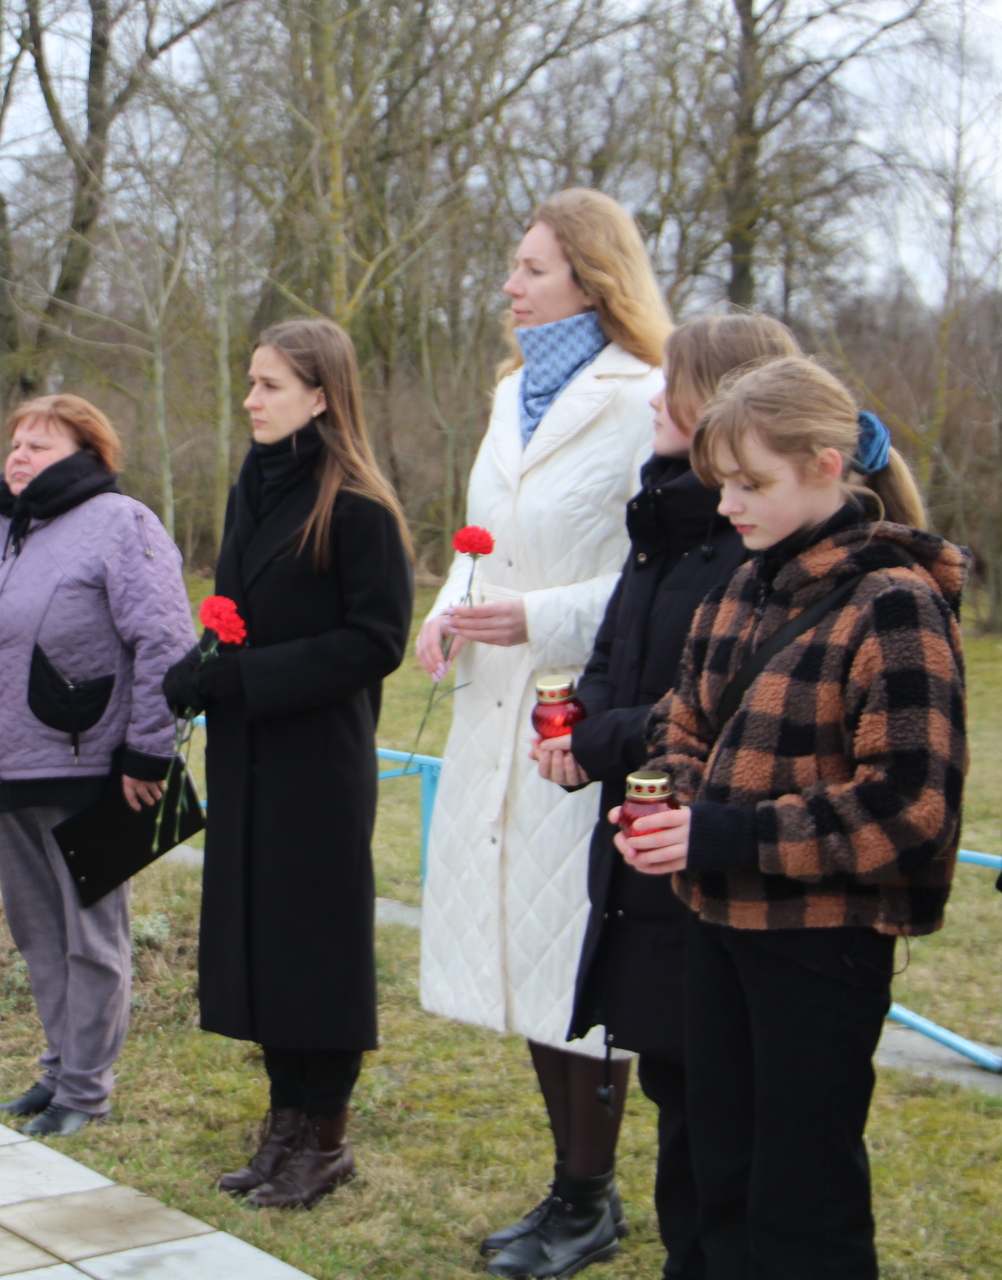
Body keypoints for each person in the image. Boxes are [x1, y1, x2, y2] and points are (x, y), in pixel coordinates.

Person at [624, 356, 965, 1279]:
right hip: (717, 925)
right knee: (716, 1173)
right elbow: (681, 723)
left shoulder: (896, 604)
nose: (729, 505)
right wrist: (669, 798)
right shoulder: (742, 585)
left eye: (751, 484)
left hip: (822, 943)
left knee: (801, 1197)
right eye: (721, 483)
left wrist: (721, 833)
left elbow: (909, 804)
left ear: (825, 465)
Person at [413, 188, 671, 1276]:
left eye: (529, 269)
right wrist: (447, 613)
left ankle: (593, 1195)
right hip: (494, 708)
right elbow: (483, 543)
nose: (509, 287)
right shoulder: (512, 391)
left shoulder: (644, 398)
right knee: (520, 943)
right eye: (514, 267)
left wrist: (539, 617)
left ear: (591, 278)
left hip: (584, 707)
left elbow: (658, 573)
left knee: (578, 952)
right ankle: (567, 1185)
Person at [531, 314, 802, 1280]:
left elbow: (711, 705)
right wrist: (576, 732)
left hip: (708, 855)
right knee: (680, 1105)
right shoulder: (662, 522)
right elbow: (613, 655)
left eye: (673, 384)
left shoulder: (744, 546)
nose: (654, 399)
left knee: (718, 1121)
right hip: (645, 848)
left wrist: (598, 738)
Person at [161, 317, 414, 1210]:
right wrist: (199, 665)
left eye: (268, 384)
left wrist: (245, 677)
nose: (250, 399)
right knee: (264, 940)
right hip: (248, 755)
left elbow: (376, 641)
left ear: (320, 394)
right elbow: (237, 608)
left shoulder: (360, 507)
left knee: (318, 948)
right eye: (251, 381)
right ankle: (283, 1127)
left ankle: (326, 1136)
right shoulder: (251, 488)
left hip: (316, 761)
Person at [0, 395, 192, 1138]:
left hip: (94, 768)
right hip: (5, 765)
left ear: (88, 456)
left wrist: (148, 750)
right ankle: (58, 1071)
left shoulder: (124, 526)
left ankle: (86, 1093)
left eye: (41, 447)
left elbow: (164, 643)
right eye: (17, 444)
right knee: (36, 931)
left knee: (92, 937)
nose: (20, 456)